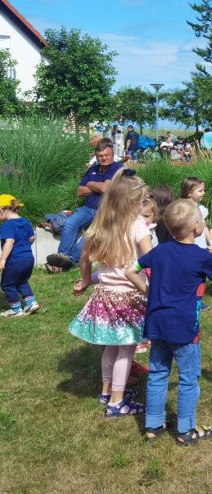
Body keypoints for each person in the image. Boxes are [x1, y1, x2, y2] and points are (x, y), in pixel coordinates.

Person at [125, 199, 212, 445]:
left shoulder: (157, 251)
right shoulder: (201, 257)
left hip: (157, 325)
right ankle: (185, 430)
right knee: (188, 378)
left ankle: (153, 425)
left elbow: (131, 270)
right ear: (195, 227)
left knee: (158, 373)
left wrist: (147, 290)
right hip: (184, 329)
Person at [69, 168, 154, 417]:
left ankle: (107, 391)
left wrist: (86, 280)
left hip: (104, 296)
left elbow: (84, 258)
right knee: (126, 348)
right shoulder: (138, 226)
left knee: (110, 347)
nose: (144, 205)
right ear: (131, 203)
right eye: (141, 201)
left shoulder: (102, 225)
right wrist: (155, 288)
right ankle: (117, 402)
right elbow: (151, 261)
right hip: (129, 296)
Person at [47, 137, 123, 271]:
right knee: (70, 222)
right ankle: (61, 256)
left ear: (112, 154)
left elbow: (106, 189)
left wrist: (90, 184)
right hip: (88, 208)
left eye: (107, 155)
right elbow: (79, 192)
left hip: (106, 211)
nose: (104, 158)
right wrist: (98, 186)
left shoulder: (118, 168)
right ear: (96, 156)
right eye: (100, 156)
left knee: (90, 234)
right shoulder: (92, 170)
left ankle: (71, 261)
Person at [0, 194, 39, 317]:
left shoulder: (7, 225)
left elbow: (9, 242)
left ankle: (16, 309)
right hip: (28, 258)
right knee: (22, 281)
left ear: (1, 210)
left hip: (14, 260)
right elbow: (32, 237)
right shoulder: (25, 221)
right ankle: (31, 303)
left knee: (7, 284)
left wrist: (3, 259)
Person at [181, 177, 212, 311]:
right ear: (189, 192)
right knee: (188, 276)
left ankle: (198, 301)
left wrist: (210, 242)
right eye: (200, 190)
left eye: (204, 190)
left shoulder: (202, 209)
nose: (203, 193)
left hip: (200, 248)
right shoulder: (182, 208)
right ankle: (188, 299)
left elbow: (204, 227)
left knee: (201, 276)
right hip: (186, 248)